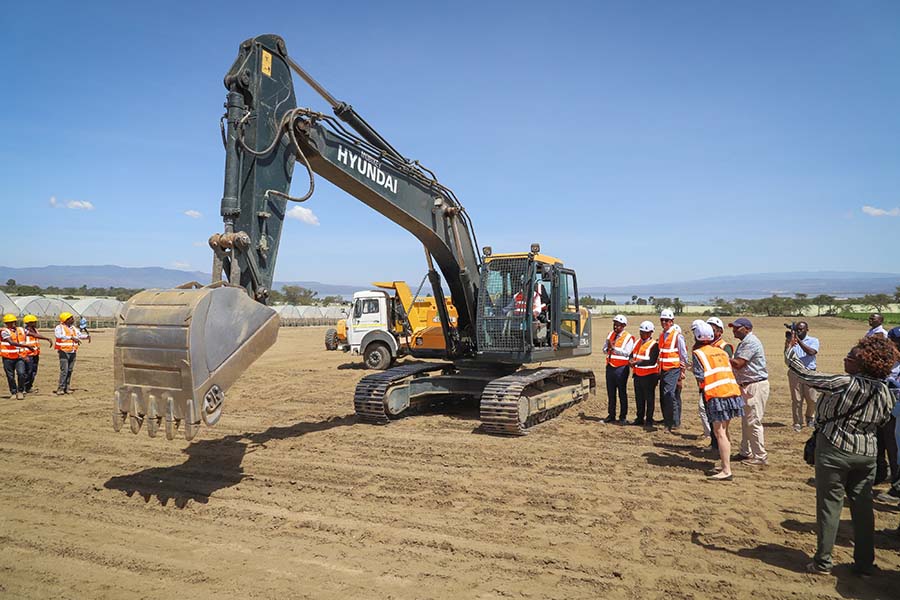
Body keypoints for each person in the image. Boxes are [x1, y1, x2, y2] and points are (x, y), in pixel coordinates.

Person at [786, 335, 897, 576]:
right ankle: (865, 564)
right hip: (866, 454)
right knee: (864, 510)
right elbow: (885, 422)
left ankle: (823, 562)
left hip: (834, 451)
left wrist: (790, 349)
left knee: (829, 507)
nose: (846, 358)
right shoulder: (885, 392)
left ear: (863, 363)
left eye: (852, 356)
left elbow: (805, 374)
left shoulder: (842, 382)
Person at [690, 321, 744, 481]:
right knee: (725, 432)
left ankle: (726, 470)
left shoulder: (698, 353)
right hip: (732, 393)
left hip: (716, 395)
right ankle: (724, 463)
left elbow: (701, 376)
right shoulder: (720, 351)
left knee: (719, 433)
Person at [728, 317, 770, 466]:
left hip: (754, 386)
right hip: (747, 385)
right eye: (733, 327)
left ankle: (760, 456)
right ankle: (745, 452)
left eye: (737, 327)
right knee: (747, 421)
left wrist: (722, 356)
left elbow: (739, 364)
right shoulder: (744, 343)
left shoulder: (750, 342)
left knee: (753, 422)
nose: (734, 330)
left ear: (747, 328)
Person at [785, 321, 819, 431]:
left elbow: (811, 352)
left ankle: (809, 417)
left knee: (812, 399)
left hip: (809, 372)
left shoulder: (814, 340)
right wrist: (789, 342)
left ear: (807, 330)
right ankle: (797, 422)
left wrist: (798, 341)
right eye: (797, 329)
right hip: (795, 373)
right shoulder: (792, 341)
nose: (799, 331)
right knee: (797, 399)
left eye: (801, 329)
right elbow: (787, 356)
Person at [658, 309, 687, 431]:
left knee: (669, 394)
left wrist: (682, 371)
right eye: (662, 320)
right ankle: (670, 420)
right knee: (664, 395)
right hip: (663, 369)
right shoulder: (662, 335)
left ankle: (671, 423)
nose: (664, 322)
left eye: (667, 320)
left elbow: (683, 354)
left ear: (672, 321)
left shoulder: (677, 335)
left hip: (673, 369)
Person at [602, 315, 635, 423]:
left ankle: (622, 417)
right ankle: (611, 415)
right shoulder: (610, 335)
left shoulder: (628, 337)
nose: (615, 326)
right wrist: (608, 348)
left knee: (622, 393)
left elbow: (627, 353)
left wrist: (614, 349)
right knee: (611, 393)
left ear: (624, 326)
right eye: (614, 324)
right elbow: (604, 350)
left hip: (621, 368)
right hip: (610, 367)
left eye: (618, 325)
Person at [629, 320, 660, 426]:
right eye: (641, 332)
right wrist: (631, 360)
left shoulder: (654, 345)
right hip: (638, 375)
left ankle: (649, 419)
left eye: (645, 332)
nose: (642, 334)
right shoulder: (637, 342)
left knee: (649, 399)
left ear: (651, 333)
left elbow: (651, 361)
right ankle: (639, 418)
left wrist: (637, 362)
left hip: (650, 376)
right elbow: (632, 354)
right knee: (639, 398)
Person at [54, 312, 88, 395]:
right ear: (66, 320)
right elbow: (58, 336)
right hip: (64, 352)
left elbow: (79, 335)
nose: (73, 320)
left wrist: (87, 336)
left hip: (73, 351)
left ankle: (67, 387)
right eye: (71, 318)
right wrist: (71, 338)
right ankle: (60, 388)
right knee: (64, 371)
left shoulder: (73, 328)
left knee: (69, 370)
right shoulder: (59, 327)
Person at [1, 314, 30, 400]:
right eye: (10, 322)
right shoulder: (4, 331)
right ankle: (13, 392)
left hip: (19, 357)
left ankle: (20, 391)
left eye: (13, 322)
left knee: (21, 373)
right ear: (6, 323)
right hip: (7, 357)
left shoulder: (21, 330)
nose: (12, 324)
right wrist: (26, 346)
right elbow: (11, 342)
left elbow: (32, 334)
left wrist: (46, 338)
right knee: (10, 376)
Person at [22, 315, 52, 394]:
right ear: (29, 323)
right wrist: (47, 338)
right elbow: (34, 335)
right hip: (28, 354)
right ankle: (23, 388)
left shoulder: (35, 330)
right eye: (34, 322)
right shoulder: (24, 331)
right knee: (28, 371)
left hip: (35, 354)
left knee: (33, 372)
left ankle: (29, 387)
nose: (35, 323)